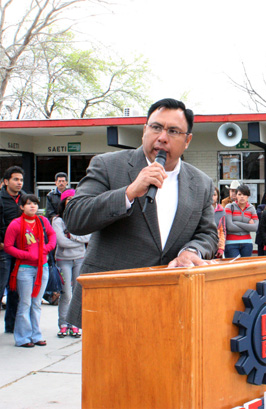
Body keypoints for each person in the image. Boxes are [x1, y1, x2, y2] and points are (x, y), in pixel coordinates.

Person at [64, 98, 218, 329]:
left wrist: (191, 251)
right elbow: (75, 218)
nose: (162, 137)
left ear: (187, 141)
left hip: (172, 303)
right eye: (156, 127)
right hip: (111, 301)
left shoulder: (202, 183)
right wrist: (128, 193)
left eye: (173, 131)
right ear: (144, 130)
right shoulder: (107, 165)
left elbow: (208, 234)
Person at [4, 194, 56, 347]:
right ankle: (22, 338)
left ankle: (35, 335)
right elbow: (8, 246)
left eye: (35, 203)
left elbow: (52, 236)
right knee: (25, 303)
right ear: (21, 206)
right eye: (28, 203)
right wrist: (26, 254)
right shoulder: (16, 224)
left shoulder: (43, 221)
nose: (33, 206)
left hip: (42, 267)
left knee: (36, 303)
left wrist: (45, 249)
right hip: (25, 269)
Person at [52, 190, 90, 338]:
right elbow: (61, 242)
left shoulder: (83, 218)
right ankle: (63, 324)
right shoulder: (58, 221)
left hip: (80, 258)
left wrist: (72, 236)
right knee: (66, 293)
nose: (71, 201)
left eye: (74, 198)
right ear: (63, 202)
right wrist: (79, 239)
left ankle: (75, 324)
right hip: (64, 261)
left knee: (77, 293)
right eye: (68, 198)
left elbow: (89, 237)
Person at [1, 166, 26, 334]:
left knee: (15, 290)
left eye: (21, 180)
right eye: (16, 179)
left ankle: (11, 326)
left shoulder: (25, 198)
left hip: (21, 251)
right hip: (3, 250)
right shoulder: (1, 198)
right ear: (6, 181)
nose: (19, 183)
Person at [225, 184, 258, 258]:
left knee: (245, 267)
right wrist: (248, 226)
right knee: (234, 267)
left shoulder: (251, 208)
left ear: (248, 196)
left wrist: (236, 223)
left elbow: (255, 227)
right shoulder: (229, 207)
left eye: (244, 194)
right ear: (236, 196)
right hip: (231, 243)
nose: (242, 196)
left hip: (247, 242)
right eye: (239, 194)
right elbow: (230, 227)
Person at [213, 187, 226, 258]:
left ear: (218, 197)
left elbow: (222, 231)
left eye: (214, 195)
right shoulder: (202, 209)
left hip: (216, 245)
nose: (212, 197)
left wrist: (221, 248)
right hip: (204, 245)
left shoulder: (221, 211)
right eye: (210, 195)